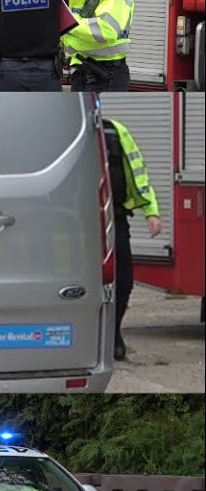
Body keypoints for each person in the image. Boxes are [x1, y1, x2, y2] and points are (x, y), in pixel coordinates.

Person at [103, 119, 161, 362]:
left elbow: (138, 173)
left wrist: (151, 212)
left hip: (116, 218)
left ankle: (113, 333)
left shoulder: (116, 131)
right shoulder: (69, 130)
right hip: (78, 222)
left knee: (124, 281)